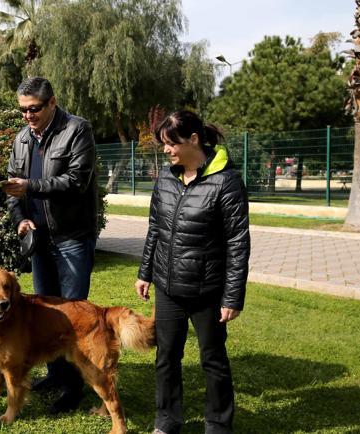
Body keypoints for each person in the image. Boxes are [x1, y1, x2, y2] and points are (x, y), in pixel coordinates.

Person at [135, 110, 250, 434]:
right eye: (164, 144)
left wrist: (232, 297)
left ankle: (218, 425)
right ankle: (166, 422)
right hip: (167, 287)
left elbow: (238, 243)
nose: (166, 150)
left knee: (212, 359)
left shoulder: (226, 181)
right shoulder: (166, 178)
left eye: (171, 143)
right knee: (166, 357)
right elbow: (155, 228)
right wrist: (145, 272)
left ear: (194, 140)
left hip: (207, 290)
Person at [3, 76, 98, 413]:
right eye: (23, 110)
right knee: (45, 314)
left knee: (72, 316)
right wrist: (20, 219)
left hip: (72, 238)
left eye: (34, 109)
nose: (28, 115)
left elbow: (76, 181)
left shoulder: (77, 129)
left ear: (52, 103)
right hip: (40, 239)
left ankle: (74, 387)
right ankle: (56, 375)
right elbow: (12, 188)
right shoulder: (22, 138)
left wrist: (30, 186)